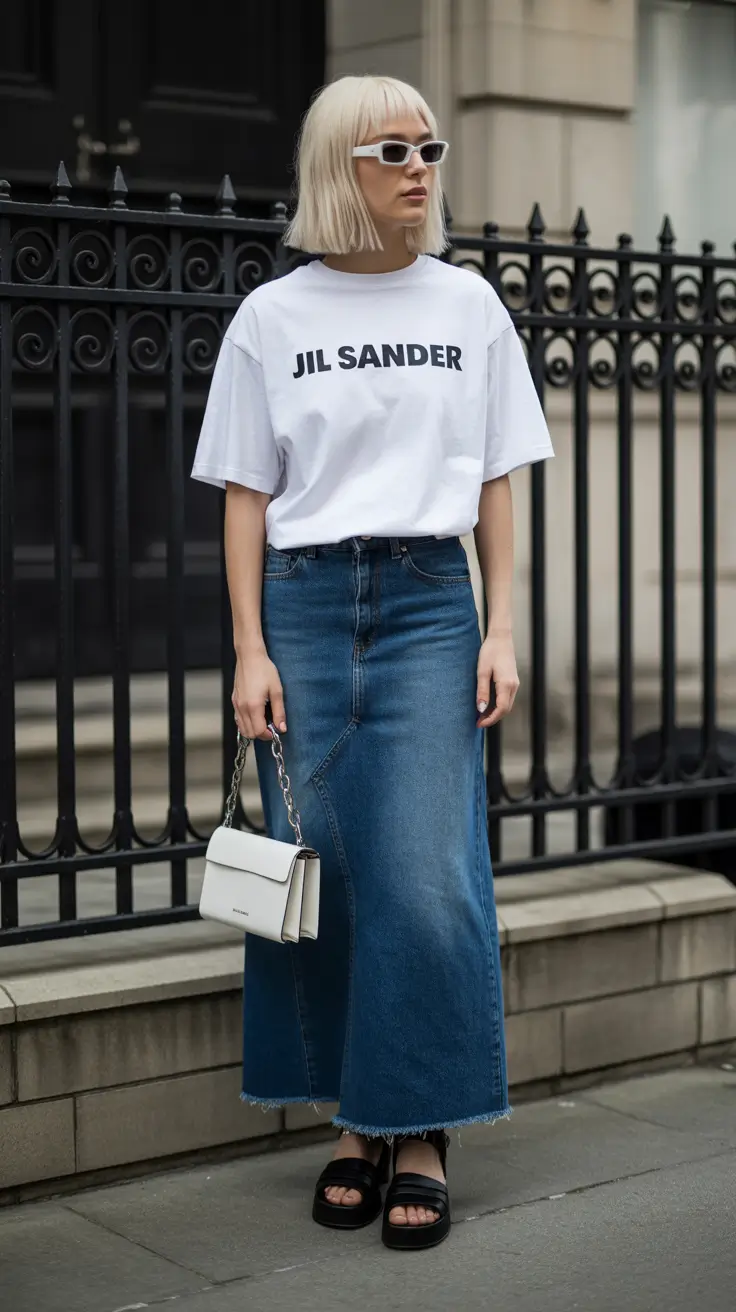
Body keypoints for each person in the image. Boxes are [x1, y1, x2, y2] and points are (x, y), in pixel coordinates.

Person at [191, 73, 554, 1251]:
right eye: (391, 148)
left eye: (429, 146)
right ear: (337, 167)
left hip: (425, 603)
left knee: (421, 874)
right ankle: (357, 1125)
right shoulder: (271, 317)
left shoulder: (469, 306)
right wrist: (246, 649)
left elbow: (497, 478)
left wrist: (500, 625)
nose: (419, 167)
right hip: (300, 603)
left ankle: (425, 1128)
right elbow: (247, 496)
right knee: (330, 875)